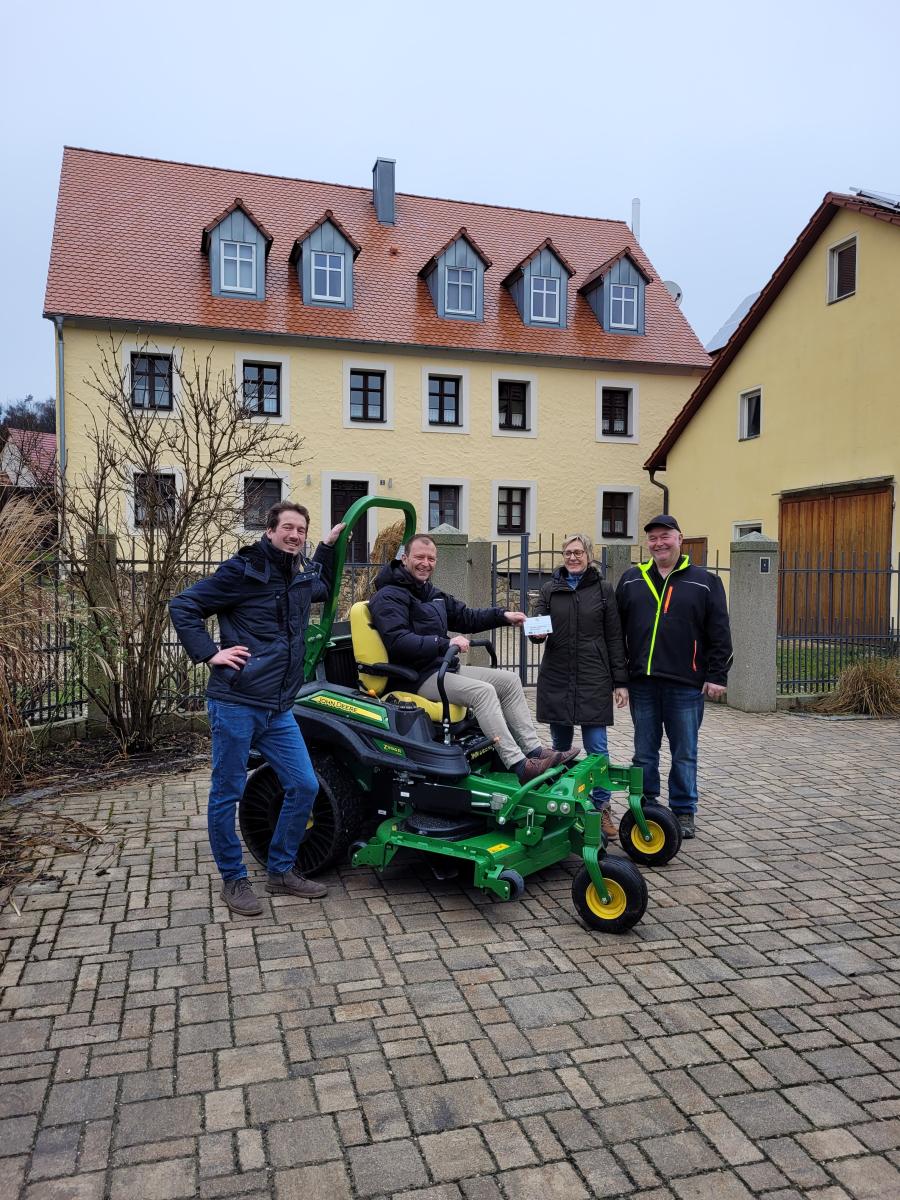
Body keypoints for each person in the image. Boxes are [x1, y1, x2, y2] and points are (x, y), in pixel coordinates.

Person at [170, 501, 344, 917]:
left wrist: (325, 547)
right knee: (226, 793)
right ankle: (234, 880)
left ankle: (281, 870)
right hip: (236, 703)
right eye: (287, 528)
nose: (294, 535)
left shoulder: (297, 575)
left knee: (304, 785)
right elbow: (183, 606)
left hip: (278, 708)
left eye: (301, 530)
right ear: (270, 530)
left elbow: (321, 586)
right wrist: (211, 653)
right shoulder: (242, 571)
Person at [369, 534, 579, 783]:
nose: (426, 563)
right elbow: (398, 642)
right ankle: (520, 765)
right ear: (404, 558)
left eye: (431, 558)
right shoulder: (389, 596)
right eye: (419, 557)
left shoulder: (429, 592)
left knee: (510, 681)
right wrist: (445, 643)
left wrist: (503, 616)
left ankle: (534, 750)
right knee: (483, 692)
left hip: (440, 668)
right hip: (413, 676)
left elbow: (466, 616)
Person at [615, 514, 732, 838]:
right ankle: (647, 806)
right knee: (644, 752)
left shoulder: (705, 582)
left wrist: (717, 674)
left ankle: (683, 811)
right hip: (643, 684)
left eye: (665, 536)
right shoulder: (631, 580)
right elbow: (616, 633)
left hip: (686, 684)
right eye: (652, 538)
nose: (658, 543)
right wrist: (620, 679)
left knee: (684, 752)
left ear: (680, 538)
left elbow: (719, 632)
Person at [530, 533, 628, 839]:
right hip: (558, 675)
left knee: (597, 749)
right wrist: (536, 634)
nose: (573, 557)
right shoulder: (550, 589)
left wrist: (620, 682)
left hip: (593, 677)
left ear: (589, 555)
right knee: (561, 749)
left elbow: (614, 636)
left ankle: (602, 810)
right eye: (568, 553)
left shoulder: (602, 590)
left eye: (578, 552)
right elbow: (537, 623)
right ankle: (566, 807)